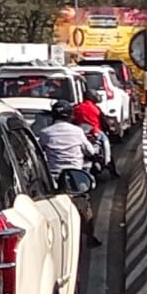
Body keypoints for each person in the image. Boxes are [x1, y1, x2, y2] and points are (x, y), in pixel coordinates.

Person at [39, 100, 101, 247]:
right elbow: (90, 151)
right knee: (84, 205)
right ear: (70, 115)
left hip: (54, 178)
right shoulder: (77, 131)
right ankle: (90, 237)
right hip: (76, 178)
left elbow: (40, 152)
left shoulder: (45, 133)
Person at [73, 90, 114, 176]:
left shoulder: (77, 108)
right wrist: (108, 128)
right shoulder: (95, 108)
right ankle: (107, 160)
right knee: (105, 140)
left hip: (81, 133)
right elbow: (104, 121)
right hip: (95, 131)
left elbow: (73, 120)